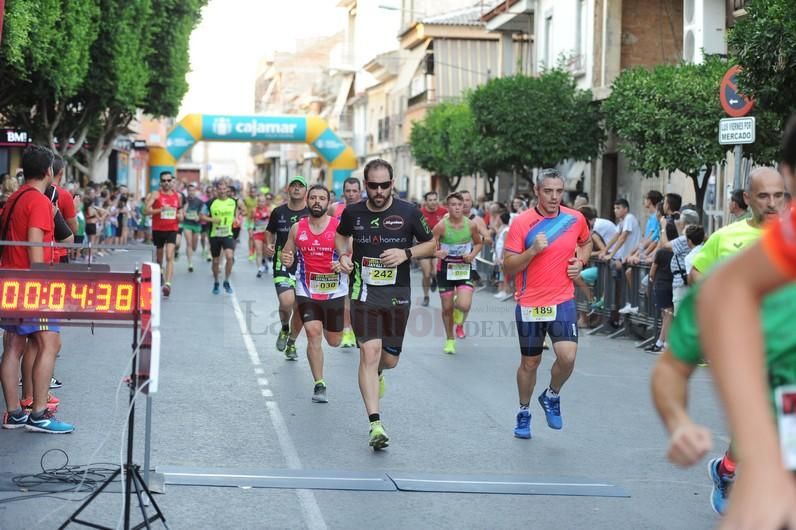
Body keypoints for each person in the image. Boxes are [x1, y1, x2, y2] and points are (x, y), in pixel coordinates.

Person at [691, 116, 796, 530]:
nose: (773, 203)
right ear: (749, 199)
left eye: (779, 196)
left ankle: (732, 468)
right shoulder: (728, 238)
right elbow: (698, 274)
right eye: (764, 196)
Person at [336, 159, 435, 450]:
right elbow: (341, 235)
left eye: (384, 185)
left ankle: (378, 373)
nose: (378, 191)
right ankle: (375, 424)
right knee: (369, 351)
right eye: (373, 186)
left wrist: (406, 253)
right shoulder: (352, 212)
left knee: (388, 360)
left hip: (397, 293)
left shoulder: (409, 212)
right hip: (363, 292)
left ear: (393, 183)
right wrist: (343, 255)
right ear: (365, 185)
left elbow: (431, 245)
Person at [502, 168, 591, 439]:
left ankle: (552, 395)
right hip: (531, 302)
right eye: (548, 191)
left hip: (562, 299)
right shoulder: (522, 223)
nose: (554, 197)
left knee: (568, 357)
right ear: (537, 192)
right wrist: (532, 251)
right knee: (531, 363)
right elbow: (507, 266)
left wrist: (581, 262)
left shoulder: (575, 218)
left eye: (559, 191)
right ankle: (524, 411)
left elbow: (585, 243)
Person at [0, 145, 73, 433]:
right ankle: (40, 413)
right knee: (50, 344)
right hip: (32, 285)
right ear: (48, 172)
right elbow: (34, 246)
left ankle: (14, 413)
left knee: (13, 347)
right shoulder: (39, 202)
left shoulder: (13, 198)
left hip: (10, 281)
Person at [280, 185, 348, 403]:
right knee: (312, 332)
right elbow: (287, 253)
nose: (317, 201)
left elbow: (352, 257)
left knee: (334, 340)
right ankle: (319, 383)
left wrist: (343, 263)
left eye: (322, 198)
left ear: (329, 203)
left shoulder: (340, 228)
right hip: (306, 289)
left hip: (335, 291)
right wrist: (286, 259)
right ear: (307, 201)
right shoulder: (297, 228)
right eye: (314, 198)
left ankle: (315, 339)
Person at [432, 192, 483, 354]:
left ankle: (458, 305)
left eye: (459, 205)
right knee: (447, 309)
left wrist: (472, 255)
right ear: (448, 207)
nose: (457, 208)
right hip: (445, 269)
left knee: (464, 304)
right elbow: (429, 244)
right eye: (453, 205)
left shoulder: (471, 225)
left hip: (463, 267)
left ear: (463, 206)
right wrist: (437, 252)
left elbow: (478, 243)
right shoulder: (441, 226)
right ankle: (450, 340)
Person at [265, 176, 309, 360]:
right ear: (288, 190)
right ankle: (284, 328)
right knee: (286, 302)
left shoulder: (311, 213)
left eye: (301, 186)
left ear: (306, 191)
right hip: (282, 262)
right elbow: (269, 231)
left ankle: (291, 343)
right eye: (294, 186)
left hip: (307, 265)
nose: (297, 189)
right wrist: (268, 244)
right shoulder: (278, 212)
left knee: (300, 309)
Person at [333, 177, 362, 348]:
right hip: (342, 257)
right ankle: (346, 331)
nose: (351, 194)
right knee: (345, 295)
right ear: (343, 191)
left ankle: (359, 329)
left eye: (354, 191)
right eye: (348, 190)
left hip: (361, 258)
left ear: (360, 192)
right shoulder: (334, 209)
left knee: (358, 297)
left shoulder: (366, 209)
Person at [200, 181, 243, 294]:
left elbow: (237, 212)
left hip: (228, 234)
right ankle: (216, 282)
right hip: (215, 235)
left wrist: (236, 218)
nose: (223, 191)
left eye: (224, 189)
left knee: (229, 257)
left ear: (227, 190)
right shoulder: (210, 203)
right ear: (216, 190)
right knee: (215, 261)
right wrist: (212, 220)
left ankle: (226, 281)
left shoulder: (233, 202)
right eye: (220, 189)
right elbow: (201, 216)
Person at [145, 171, 183, 297]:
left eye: (168, 180)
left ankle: (168, 284)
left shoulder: (178, 196)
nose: (166, 183)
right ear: (161, 182)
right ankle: (160, 272)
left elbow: (181, 214)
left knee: (169, 256)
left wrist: (179, 216)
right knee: (159, 259)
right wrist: (160, 210)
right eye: (164, 181)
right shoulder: (156, 194)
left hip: (172, 228)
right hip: (158, 229)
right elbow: (146, 211)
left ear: (172, 181)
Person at [418, 191, 447, 306]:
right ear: (426, 201)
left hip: (437, 247)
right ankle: (426, 297)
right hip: (423, 246)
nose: (433, 202)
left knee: (435, 272)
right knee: (426, 274)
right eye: (430, 200)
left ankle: (434, 279)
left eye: (435, 199)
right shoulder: (420, 213)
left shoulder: (443, 212)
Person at [181, 183, 205, 272]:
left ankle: (192, 252)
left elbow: (203, 213)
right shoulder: (184, 200)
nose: (191, 192)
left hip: (196, 225)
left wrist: (198, 217)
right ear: (187, 192)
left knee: (194, 246)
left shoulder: (199, 201)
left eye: (192, 191)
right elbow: (181, 211)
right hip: (187, 224)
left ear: (195, 191)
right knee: (189, 243)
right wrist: (184, 212)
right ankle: (190, 263)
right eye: (189, 191)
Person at [251, 193, 271, 278]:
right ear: (257, 202)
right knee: (258, 251)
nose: (261, 203)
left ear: (265, 202)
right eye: (259, 201)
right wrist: (250, 229)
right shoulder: (253, 210)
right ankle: (259, 269)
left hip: (266, 234)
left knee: (265, 251)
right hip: (257, 233)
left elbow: (272, 222)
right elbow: (250, 221)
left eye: (263, 201)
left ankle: (265, 262)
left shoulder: (269, 210)